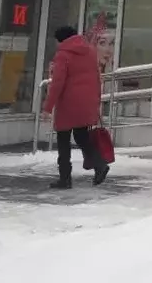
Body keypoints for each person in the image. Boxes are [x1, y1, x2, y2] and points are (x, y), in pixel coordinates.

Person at [42, 26, 110, 189]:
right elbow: (97, 78)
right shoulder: (90, 51)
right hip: (86, 102)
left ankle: (65, 178)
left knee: (63, 140)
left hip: (68, 103)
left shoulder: (63, 54)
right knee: (82, 136)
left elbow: (57, 83)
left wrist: (47, 107)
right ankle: (100, 164)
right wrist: (96, 101)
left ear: (62, 39)